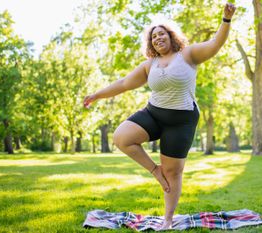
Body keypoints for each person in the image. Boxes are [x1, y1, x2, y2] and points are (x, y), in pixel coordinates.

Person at [83, 2, 236, 230]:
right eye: (153, 37)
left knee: (173, 172)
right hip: (153, 114)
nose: (158, 38)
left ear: (171, 36)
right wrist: (96, 95)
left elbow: (215, 44)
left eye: (162, 33)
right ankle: (155, 170)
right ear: (151, 43)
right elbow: (124, 83)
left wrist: (226, 20)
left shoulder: (188, 54)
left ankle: (167, 219)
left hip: (181, 120)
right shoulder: (150, 64)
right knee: (122, 137)